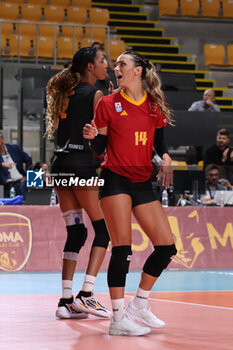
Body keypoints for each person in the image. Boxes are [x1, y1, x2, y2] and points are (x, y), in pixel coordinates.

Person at [84, 50, 177, 336]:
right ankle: (117, 317)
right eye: (115, 65)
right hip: (115, 180)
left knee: (166, 247)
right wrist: (93, 138)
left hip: (142, 181)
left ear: (137, 71)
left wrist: (167, 158)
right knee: (122, 248)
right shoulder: (108, 103)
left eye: (122, 64)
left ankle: (140, 303)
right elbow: (98, 151)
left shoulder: (154, 105)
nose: (116, 68)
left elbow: (159, 143)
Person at [45, 47, 112, 320]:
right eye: (101, 61)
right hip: (82, 165)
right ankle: (86, 295)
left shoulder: (66, 93)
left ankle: (65, 301)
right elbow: (103, 138)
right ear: (89, 67)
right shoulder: (96, 94)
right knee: (103, 232)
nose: (105, 65)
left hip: (60, 166)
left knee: (76, 233)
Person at [0, 131, 33, 198]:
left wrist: (27, 176)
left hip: (21, 183)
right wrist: (2, 164)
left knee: (25, 203)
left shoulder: (14, 148)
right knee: (10, 207)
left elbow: (28, 160)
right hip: (7, 187)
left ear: (2, 139)